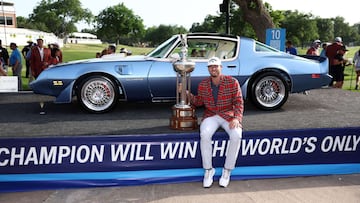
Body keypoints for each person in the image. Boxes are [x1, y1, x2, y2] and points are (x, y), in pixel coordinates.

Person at [188, 57, 243, 188]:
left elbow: (239, 102)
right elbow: (199, 102)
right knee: (205, 134)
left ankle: (227, 170)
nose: (214, 68)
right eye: (211, 66)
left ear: (221, 67)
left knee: (236, 135)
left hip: (228, 115)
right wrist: (187, 94)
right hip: (211, 115)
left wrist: (236, 118)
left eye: (216, 66)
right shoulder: (203, 84)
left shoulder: (232, 82)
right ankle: (208, 170)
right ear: (208, 69)